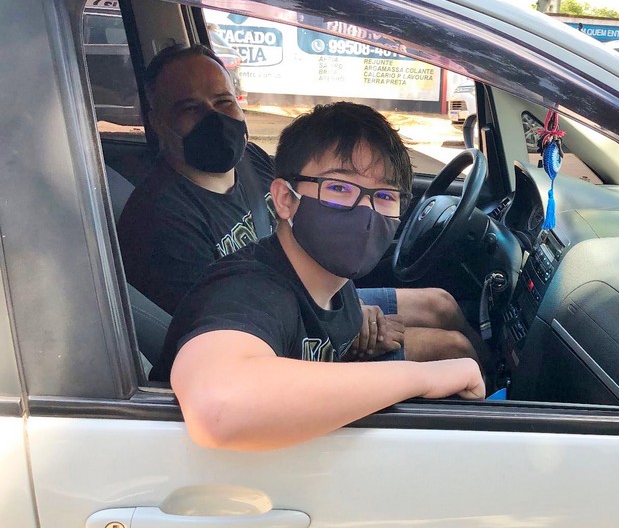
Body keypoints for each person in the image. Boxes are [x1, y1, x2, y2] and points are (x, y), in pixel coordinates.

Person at [149, 102, 486, 450]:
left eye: (384, 195)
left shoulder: (330, 282)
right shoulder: (249, 291)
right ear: (285, 199)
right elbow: (219, 406)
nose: (365, 210)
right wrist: (425, 376)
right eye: (338, 188)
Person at [117, 43, 479, 362]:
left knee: (441, 304)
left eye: (223, 101)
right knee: (451, 349)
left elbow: (307, 243)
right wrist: (351, 325)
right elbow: (220, 327)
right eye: (190, 108)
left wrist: (350, 306)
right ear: (157, 121)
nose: (214, 117)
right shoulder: (161, 220)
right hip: (287, 336)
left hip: (316, 296)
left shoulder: (250, 160)